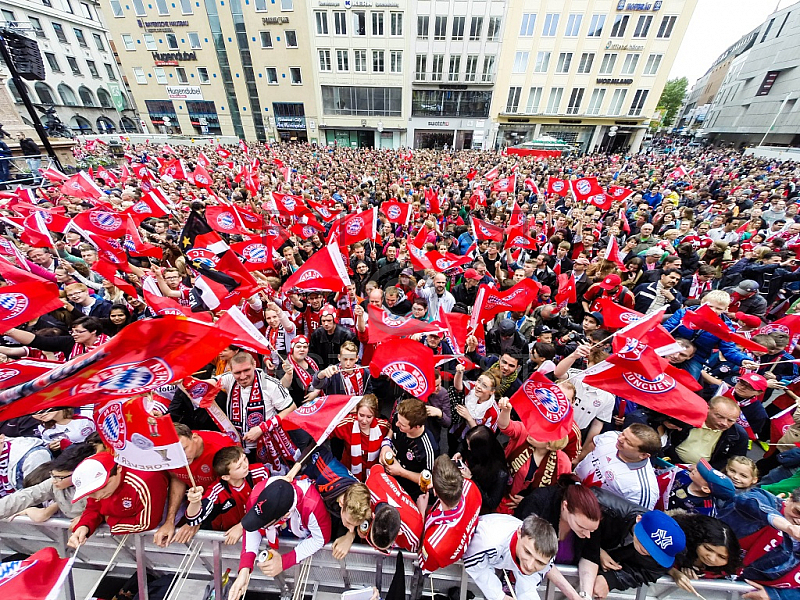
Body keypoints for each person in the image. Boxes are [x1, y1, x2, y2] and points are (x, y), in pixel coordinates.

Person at [229, 478, 331, 600]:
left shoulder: (312, 505)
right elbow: (253, 528)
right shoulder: (257, 494)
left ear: (286, 515)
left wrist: (285, 561)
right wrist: (244, 570)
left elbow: (320, 538)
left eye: (264, 523)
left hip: (303, 541)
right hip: (280, 534)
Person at [514, 474, 603, 598]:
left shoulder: (590, 520)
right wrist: (573, 595)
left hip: (560, 589)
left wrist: (585, 595)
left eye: (591, 531)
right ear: (565, 506)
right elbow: (534, 554)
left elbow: (590, 556)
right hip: (523, 579)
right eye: (581, 527)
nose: (587, 535)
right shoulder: (539, 502)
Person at [67, 452, 169, 548]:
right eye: (91, 493)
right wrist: (84, 526)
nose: (98, 496)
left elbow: (146, 523)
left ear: (119, 468)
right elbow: (93, 508)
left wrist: (110, 520)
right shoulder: (102, 491)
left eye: (103, 486)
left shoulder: (145, 481)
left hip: (160, 538)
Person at [214, 352, 296, 470]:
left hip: (268, 445)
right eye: (237, 372)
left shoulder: (270, 384)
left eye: (247, 370)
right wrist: (185, 381)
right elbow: (204, 385)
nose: (242, 376)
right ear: (230, 370)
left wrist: (262, 428)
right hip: (237, 447)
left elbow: (291, 408)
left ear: (254, 364)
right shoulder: (229, 379)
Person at [716, 487, 800, 600]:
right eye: (798, 512)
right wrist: (787, 527)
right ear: (789, 499)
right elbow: (747, 500)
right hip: (705, 572)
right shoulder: (766, 500)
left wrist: (776, 595)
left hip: (746, 590)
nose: (799, 520)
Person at [592, 510, 686, 599]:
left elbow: (647, 572)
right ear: (638, 519)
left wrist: (611, 580)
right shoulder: (610, 510)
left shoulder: (669, 554)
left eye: (656, 552)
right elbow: (580, 526)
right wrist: (596, 550)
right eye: (646, 542)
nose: (648, 551)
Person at [463, 514, 559, 600]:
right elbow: (475, 565)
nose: (530, 565)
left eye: (539, 562)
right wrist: (500, 596)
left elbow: (528, 588)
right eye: (527, 552)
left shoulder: (547, 560)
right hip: (468, 541)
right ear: (519, 533)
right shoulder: (490, 541)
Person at [185, 445, 268, 544]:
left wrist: (242, 525)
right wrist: (194, 501)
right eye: (239, 467)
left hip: (260, 531)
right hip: (228, 540)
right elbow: (194, 519)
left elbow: (270, 503)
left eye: (245, 459)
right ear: (225, 477)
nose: (246, 466)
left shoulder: (260, 472)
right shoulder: (216, 491)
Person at [417, 455, 482, 573]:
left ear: (435, 491)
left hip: (441, 560)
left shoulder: (433, 545)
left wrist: (421, 514)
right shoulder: (471, 488)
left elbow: (424, 563)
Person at [0, 441, 94, 521]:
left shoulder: (97, 486)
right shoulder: (53, 483)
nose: (54, 481)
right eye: (52, 475)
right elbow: (27, 495)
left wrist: (86, 519)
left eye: (60, 477)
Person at [575, 424, 660, 510]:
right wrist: (577, 459)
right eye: (623, 434)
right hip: (570, 484)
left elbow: (634, 516)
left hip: (585, 509)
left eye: (628, 442)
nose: (619, 439)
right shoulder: (612, 436)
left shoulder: (641, 490)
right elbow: (593, 444)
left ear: (643, 455)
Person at [669, 513, 742, 596]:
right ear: (695, 540)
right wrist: (674, 572)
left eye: (722, 557)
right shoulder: (673, 546)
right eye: (708, 549)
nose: (711, 558)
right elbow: (653, 560)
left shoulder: (729, 570)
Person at [668, 395, 749, 471]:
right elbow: (666, 438)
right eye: (719, 416)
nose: (724, 423)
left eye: (730, 420)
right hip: (669, 461)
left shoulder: (739, 435)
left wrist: (706, 469)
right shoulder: (687, 418)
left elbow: (734, 461)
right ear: (708, 409)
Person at [380, 397, 439, 499]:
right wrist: (386, 444)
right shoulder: (399, 420)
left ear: (417, 426)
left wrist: (401, 472)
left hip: (409, 491)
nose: (397, 424)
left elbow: (427, 479)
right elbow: (392, 430)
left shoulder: (429, 449)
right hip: (390, 479)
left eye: (402, 425)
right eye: (397, 420)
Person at [330, 394, 391, 481]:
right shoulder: (348, 424)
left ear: (375, 415)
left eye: (369, 417)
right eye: (361, 415)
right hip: (349, 473)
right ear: (356, 411)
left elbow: (393, 430)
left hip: (373, 475)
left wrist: (387, 444)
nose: (364, 421)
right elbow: (327, 431)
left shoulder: (383, 426)